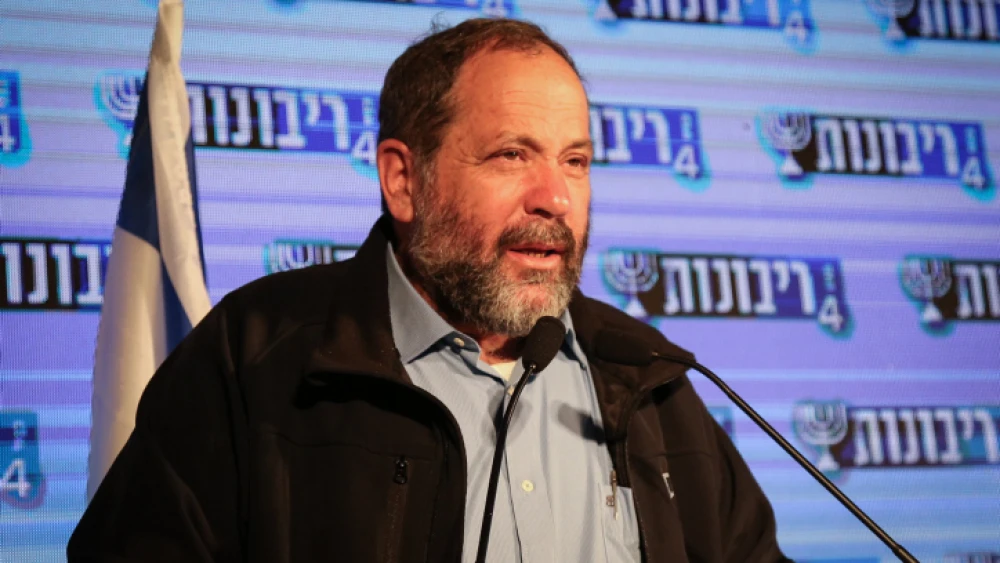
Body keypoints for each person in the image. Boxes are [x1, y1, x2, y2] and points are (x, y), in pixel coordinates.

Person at [69, 18, 787, 563]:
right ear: (404, 181)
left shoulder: (649, 379)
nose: (556, 198)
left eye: (576, 161)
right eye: (513, 154)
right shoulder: (254, 359)